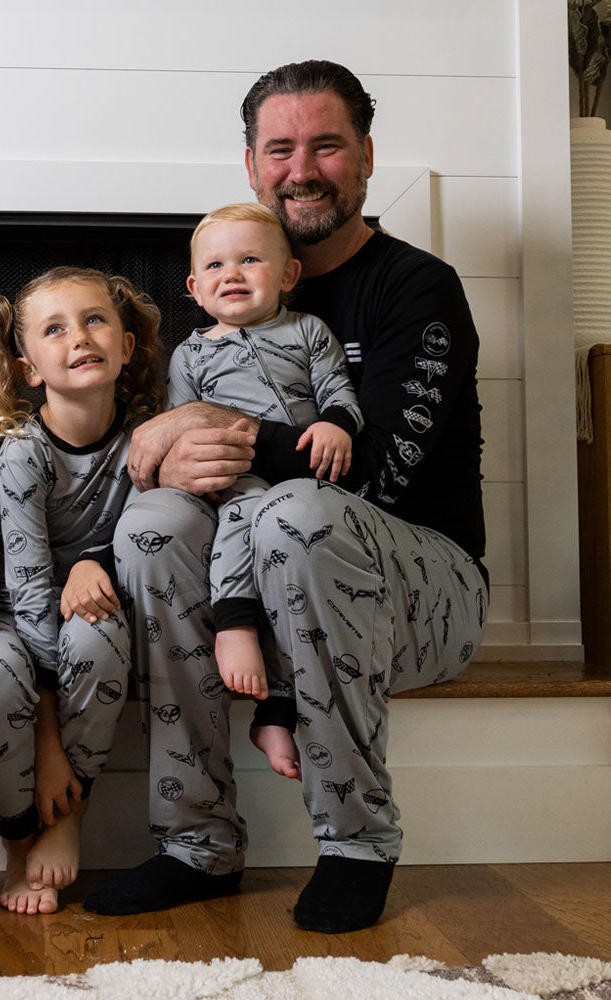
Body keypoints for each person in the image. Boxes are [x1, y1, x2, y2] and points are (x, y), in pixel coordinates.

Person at [83, 60, 488, 934]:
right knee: (154, 526)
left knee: (296, 510)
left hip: (423, 591)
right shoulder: (226, 277)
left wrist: (205, 419)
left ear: (369, 157)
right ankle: (195, 842)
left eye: (327, 145)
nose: (301, 168)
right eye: (280, 148)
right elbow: (171, 456)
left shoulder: (417, 290)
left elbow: (372, 475)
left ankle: (355, 841)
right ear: (251, 165)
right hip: (261, 564)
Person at [0, 266, 165, 912]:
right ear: (29, 368)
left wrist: (94, 561)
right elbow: (27, 599)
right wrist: (48, 748)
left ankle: (68, 815)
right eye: (55, 329)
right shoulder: (22, 451)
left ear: (126, 346)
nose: (79, 337)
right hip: (10, 612)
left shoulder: (145, 438)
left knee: (100, 629)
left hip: (95, 607)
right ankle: (21, 838)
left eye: (95, 320)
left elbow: (153, 532)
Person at [173, 202, 362, 777]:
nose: (231, 274)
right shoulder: (192, 353)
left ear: (287, 276)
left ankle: (275, 711)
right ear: (195, 288)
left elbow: (339, 392)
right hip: (238, 479)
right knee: (247, 515)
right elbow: (180, 427)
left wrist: (336, 423)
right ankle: (233, 627)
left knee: (293, 579)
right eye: (215, 266)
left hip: (308, 478)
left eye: (249, 260)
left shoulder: (308, 331)